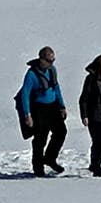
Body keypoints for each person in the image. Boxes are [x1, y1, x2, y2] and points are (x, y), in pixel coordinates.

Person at [16, 47, 68, 177]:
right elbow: (25, 94)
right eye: (49, 61)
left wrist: (62, 105)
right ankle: (38, 166)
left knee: (61, 132)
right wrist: (27, 114)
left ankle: (50, 158)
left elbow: (56, 87)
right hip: (39, 109)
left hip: (53, 106)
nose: (51, 63)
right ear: (41, 59)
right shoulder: (31, 74)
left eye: (53, 60)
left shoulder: (52, 70)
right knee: (40, 138)